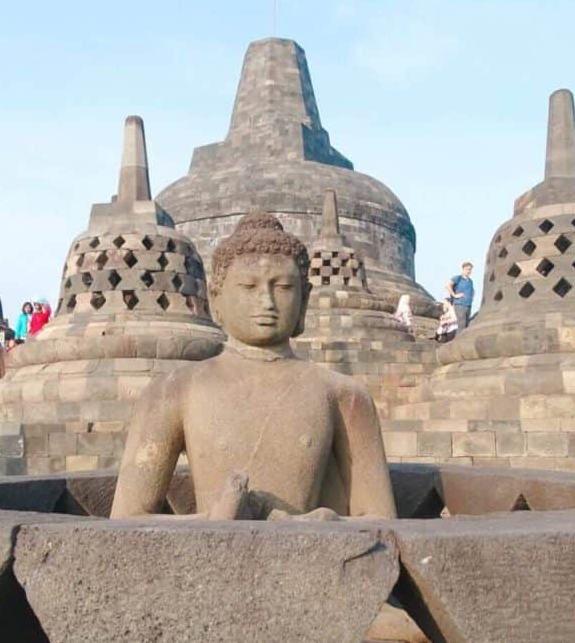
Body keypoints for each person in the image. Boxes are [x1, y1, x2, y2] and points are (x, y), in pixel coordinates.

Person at [111, 213, 397, 521]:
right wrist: (209, 521)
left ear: (304, 300)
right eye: (248, 286)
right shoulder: (173, 390)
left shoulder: (343, 394)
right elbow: (127, 519)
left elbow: (380, 518)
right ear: (216, 299)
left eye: (284, 287)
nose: (267, 302)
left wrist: (326, 522)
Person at [445, 262, 475, 329]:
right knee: (461, 324)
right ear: (463, 269)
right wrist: (455, 295)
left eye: (470, 269)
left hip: (468, 305)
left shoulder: (470, 281)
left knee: (467, 325)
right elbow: (447, 286)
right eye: (467, 269)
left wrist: (472, 297)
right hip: (460, 304)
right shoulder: (458, 278)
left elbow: (472, 290)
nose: (469, 271)